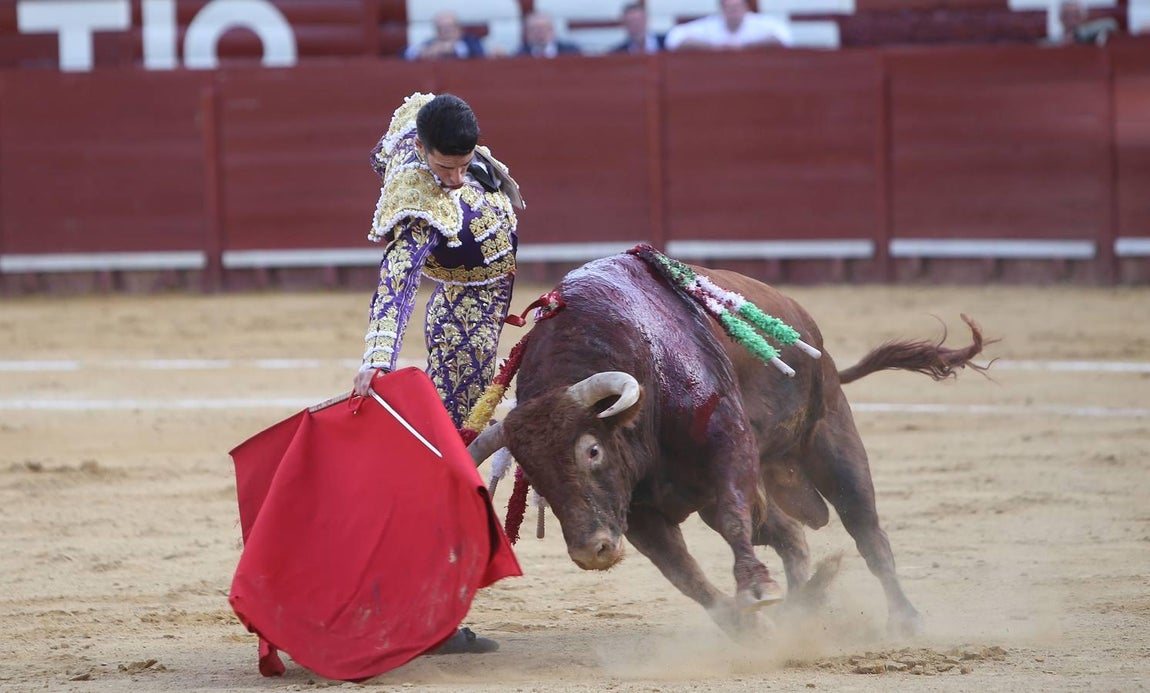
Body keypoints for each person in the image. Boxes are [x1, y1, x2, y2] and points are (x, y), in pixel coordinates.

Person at [353, 93, 525, 654]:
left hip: (480, 303)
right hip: (466, 316)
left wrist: (471, 163)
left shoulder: (420, 128)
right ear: (422, 152)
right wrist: (378, 357)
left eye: (463, 163)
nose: (453, 179)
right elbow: (397, 278)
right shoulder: (417, 197)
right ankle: (426, 614)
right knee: (454, 460)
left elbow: (410, 118)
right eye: (444, 166)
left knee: (452, 454)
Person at [664, 0, 793, 51]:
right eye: (729, 8)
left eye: (737, 7)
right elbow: (674, 38)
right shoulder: (710, 25)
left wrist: (745, 46)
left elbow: (785, 38)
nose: (733, 12)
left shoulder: (759, 23)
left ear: (746, 8)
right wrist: (713, 47)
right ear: (721, 9)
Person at [403, 11, 485, 60]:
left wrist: (453, 48)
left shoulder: (471, 41)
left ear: (458, 28)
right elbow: (404, 53)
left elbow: (479, 53)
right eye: (440, 28)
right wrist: (421, 51)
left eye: (449, 27)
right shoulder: (432, 43)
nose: (444, 31)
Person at [516, 12, 581, 57]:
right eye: (534, 29)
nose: (540, 32)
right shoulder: (519, 55)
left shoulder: (571, 51)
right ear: (527, 32)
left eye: (544, 28)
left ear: (553, 30)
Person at [1054, 1, 1119, 45]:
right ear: (1060, 18)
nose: (1071, 20)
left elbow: (1111, 23)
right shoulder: (1055, 41)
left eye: (1076, 15)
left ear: (1083, 17)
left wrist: (1077, 34)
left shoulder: (1093, 38)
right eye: (1067, 16)